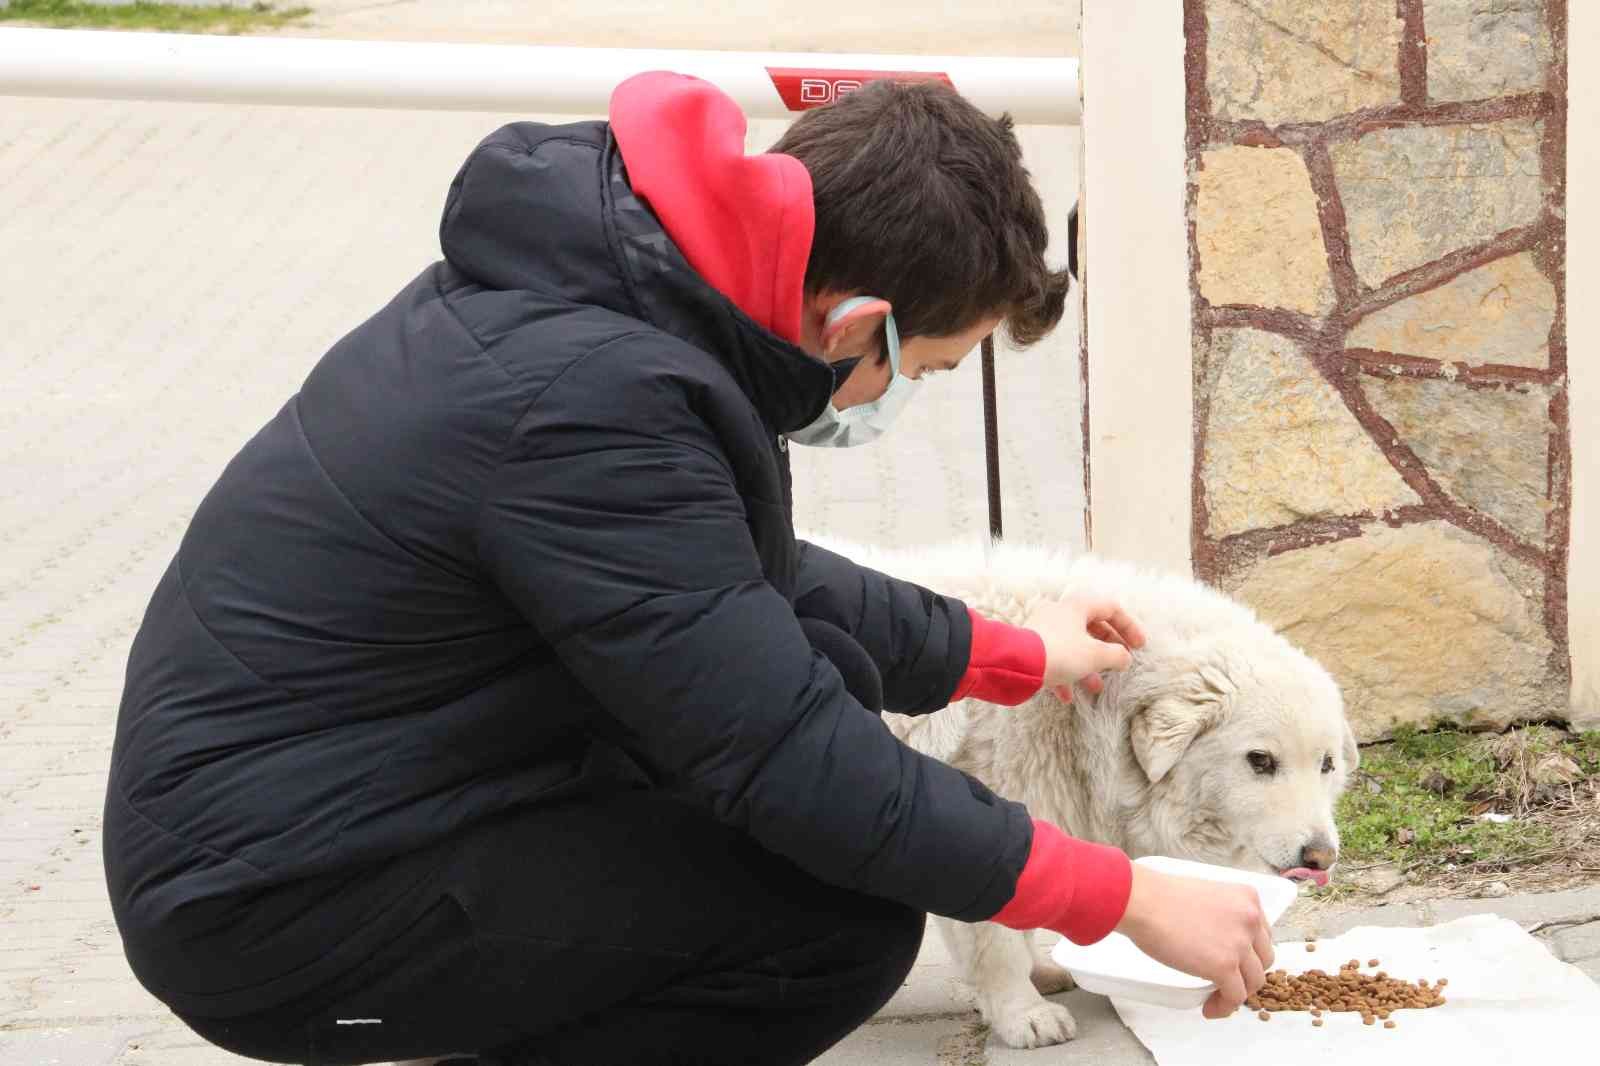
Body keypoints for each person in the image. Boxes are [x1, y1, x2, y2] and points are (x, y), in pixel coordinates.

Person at [103, 73, 1273, 1066]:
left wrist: (1009, 651)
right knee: (834, 925)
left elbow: (723, 586)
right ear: (852, 318)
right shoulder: (593, 400)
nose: (897, 399)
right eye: (928, 363)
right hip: (278, 906)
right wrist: (1123, 895)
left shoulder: (611, 290)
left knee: (828, 681)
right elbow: (785, 755)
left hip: (352, 802)